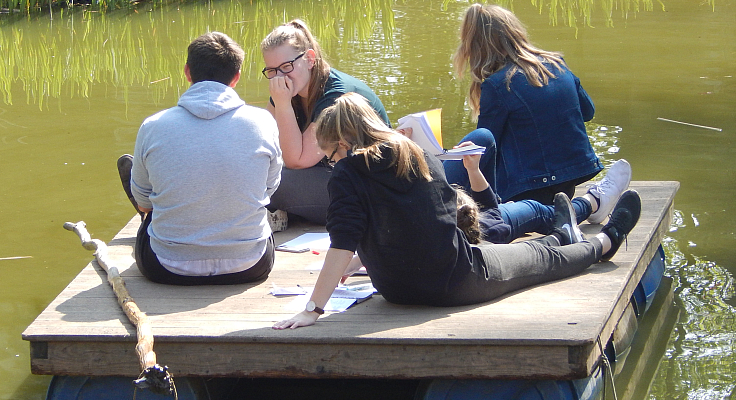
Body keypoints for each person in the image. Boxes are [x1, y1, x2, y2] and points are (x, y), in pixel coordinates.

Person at [272, 93, 641, 329]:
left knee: (533, 248)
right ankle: (603, 243)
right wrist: (314, 309)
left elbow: (350, 238)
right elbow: (421, 223)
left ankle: (564, 234)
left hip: (396, 289)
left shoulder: (349, 173)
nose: (334, 164)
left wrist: (313, 307)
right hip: (455, 281)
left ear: (344, 142)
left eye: (332, 156)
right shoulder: (417, 155)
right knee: (537, 256)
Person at [117, 32, 282, 285]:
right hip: (250, 264)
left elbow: (143, 201)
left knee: (146, 200)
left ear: (187, 72)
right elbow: (269, 188)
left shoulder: (153, 126)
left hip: (166, 267)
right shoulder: (263, 122)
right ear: (236, 77)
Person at [443, 3, 603, 205]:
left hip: (529, 188)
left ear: (473, 46)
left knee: (451, 166)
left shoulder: (497, 85)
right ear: (515, 31)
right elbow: (587, 112)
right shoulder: (556, 63)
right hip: (570, 179)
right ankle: (590, 203)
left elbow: (484, 148)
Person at [260, 19, 390, 226]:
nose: (280, 77)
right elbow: (261, 137)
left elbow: (297, 160)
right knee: (252, 170)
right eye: (272, 71)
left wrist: (282, 104)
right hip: (331, 178)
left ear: (310, 59)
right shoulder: (289, 88)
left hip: (368, 190)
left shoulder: (335, 95)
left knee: (272, 182)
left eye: (286, 66)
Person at [456, 147, 633, 244]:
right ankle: (593, 202)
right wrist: (474, 171)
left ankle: (591, 204)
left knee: (483, 137)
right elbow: (495, 225)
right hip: (478, 227)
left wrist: (473, 169)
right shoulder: (483, 230)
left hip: (464, 219)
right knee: (536, 210)